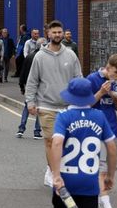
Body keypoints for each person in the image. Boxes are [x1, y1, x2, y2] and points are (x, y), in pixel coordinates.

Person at [48, 77, 116, 208]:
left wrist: (56, 175)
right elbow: (111, 147)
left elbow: (57, 142)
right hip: (88, 183)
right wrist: (110, 175)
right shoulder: (99, 117)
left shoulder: (64, 117)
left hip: (66, 183)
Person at [25, 21, 83, 186]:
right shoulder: (40, 56)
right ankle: (52, 172)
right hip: (46, 105)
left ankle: (57, 168)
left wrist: (81, 100)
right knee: (50, 141)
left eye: (60, 32)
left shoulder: (71, 55)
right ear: (48, 34)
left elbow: (78, 78)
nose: (57, 35)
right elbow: (32, 81)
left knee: (65, 142)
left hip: (67, 106)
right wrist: (30, 102)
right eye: (54, 32)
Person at [85, 54, 117, 208]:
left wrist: (114, 95)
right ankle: (107, 207)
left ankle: (99, 204)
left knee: (109, 171)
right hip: (94, 129)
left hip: (111, 129)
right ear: (108, 66)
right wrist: (101, 92)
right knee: (100, 170)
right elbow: (86, 104)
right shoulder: (91, 79)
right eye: (116, 72)